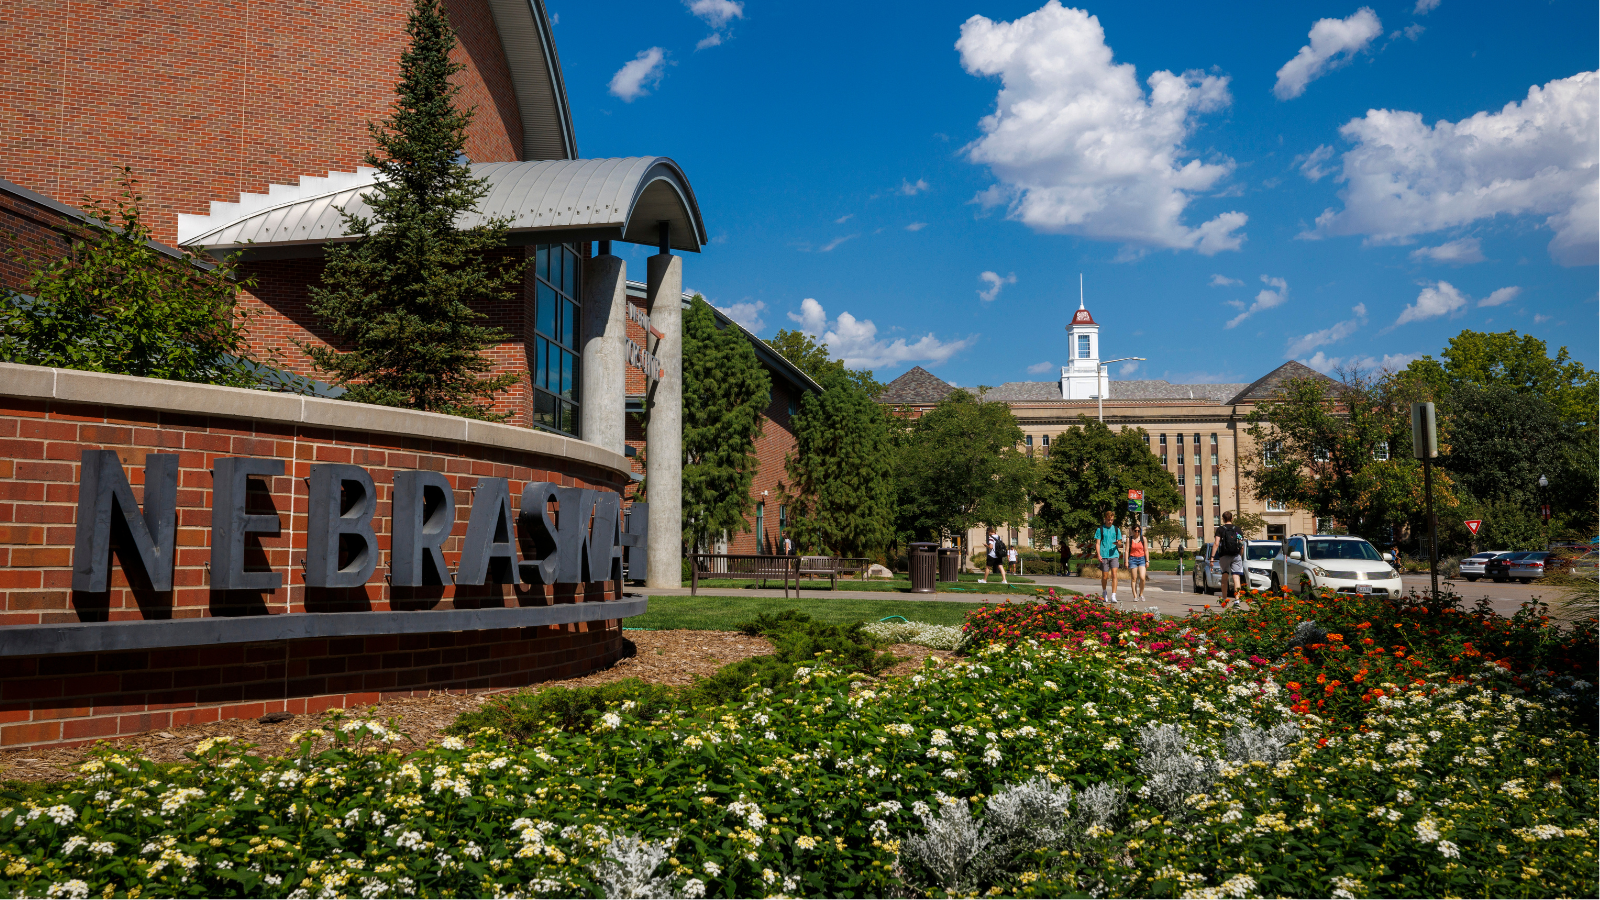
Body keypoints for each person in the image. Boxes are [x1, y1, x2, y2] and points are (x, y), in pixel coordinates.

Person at [1211, 510, 1245, 600]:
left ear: (1223, 519)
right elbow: (1241, 544)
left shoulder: (1220, 529)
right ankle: (1237, 600)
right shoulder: (1237, 530)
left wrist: (1212, 558)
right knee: (1236, 577)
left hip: (1224, 555)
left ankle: (1224, 599)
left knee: (1224, 577)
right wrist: (1240, 556)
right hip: (1235, 555)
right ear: (1232, 519)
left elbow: (1216, 544)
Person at [1094, 511, 1122, 602]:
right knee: (1105, 576)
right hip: (1104, 555)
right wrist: (1098, 555)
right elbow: (1097, 543)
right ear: (1105, 519)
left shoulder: (1116, 529)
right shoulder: (1100, 529)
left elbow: (1120, 543)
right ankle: (1104, 592)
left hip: (1114, 554)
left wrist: (1118, 543)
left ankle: (1114, 595)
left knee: (1114, 574)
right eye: (1109, 520)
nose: (1110, 521)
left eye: (1112, 520)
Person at [1127, 524, 1149, 602]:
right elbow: (1126, 551)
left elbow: (1146, 550)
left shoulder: (1143, 539)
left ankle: (1141, 593)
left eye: (1138, 531)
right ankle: (1135, 596)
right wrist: (1126, 561)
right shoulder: (1129, 539)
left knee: (1142, 577)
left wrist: (1147, 560)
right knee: (1134, 579)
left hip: (1142, 559)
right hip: (1132, 559)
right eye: (1135, 531)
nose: (1137, 532)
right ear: (1132, 531)